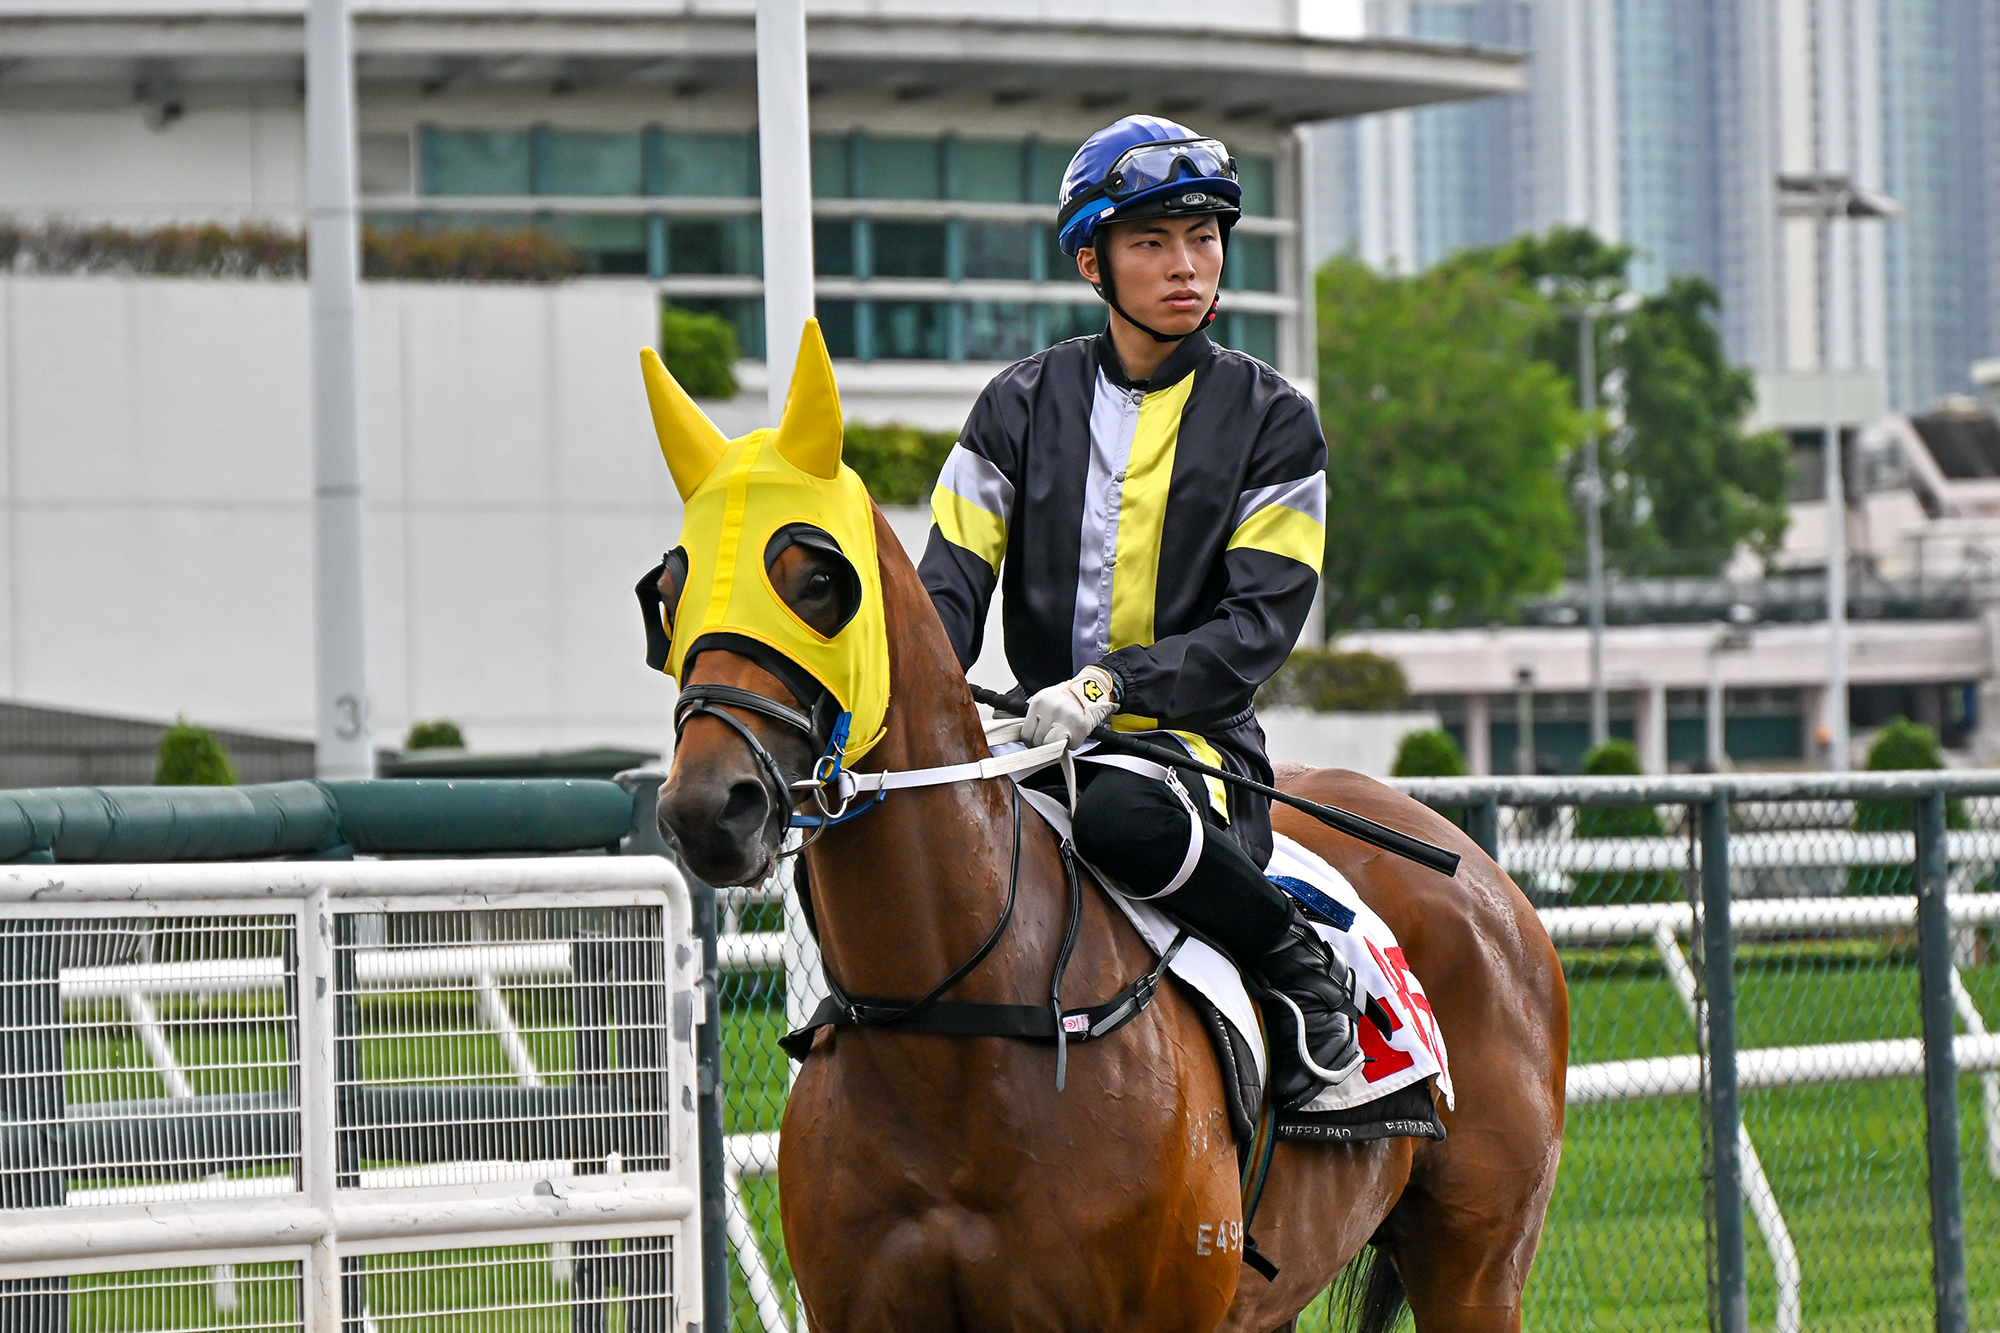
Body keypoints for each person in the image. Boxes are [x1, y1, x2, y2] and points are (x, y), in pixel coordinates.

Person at [918, 115, 1358, 1110]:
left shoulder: (1275, 420)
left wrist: (1110, 685)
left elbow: (1255, 629)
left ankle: (1295, 964)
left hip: (1185, 754)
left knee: (1119, 811)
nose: (1184, 265)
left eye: (1202, 238)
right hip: (1035, 745)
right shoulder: (1013, 405)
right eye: (1150, 241)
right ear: (1092, 262)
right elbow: (945, 584)